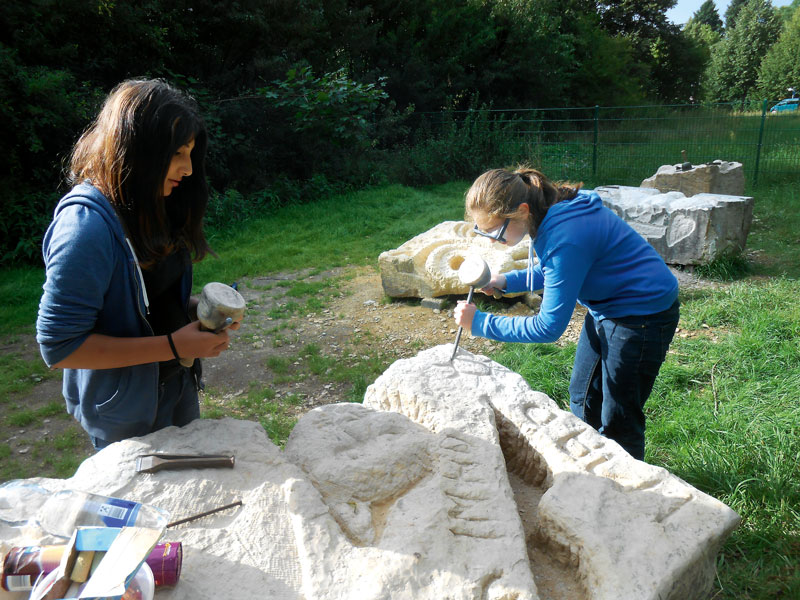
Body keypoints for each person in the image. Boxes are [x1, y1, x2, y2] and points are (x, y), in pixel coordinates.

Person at [36, 79, 239, 449]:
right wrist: (173, 347)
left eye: (191, 152)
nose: (189, 168)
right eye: (178, 153)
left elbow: (146, 298)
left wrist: (203, 312)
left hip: (176, 387)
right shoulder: (85, 228)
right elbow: (60, 347)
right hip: (125, 415)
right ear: (139, 152)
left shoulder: (153, 201)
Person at [454, 167, 679, 461]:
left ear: (521, 210)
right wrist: (506, 281)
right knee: (583, 396)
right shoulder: (545, 213)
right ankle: (595, 463)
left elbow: (548, 328)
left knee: (619, 417)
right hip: (606, 306)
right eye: (481, 231)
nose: (491, 240)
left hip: (643, 316)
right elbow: (557, 270)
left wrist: (480, 323)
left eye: (494, 231)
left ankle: (627, 491)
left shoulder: (565, 234)